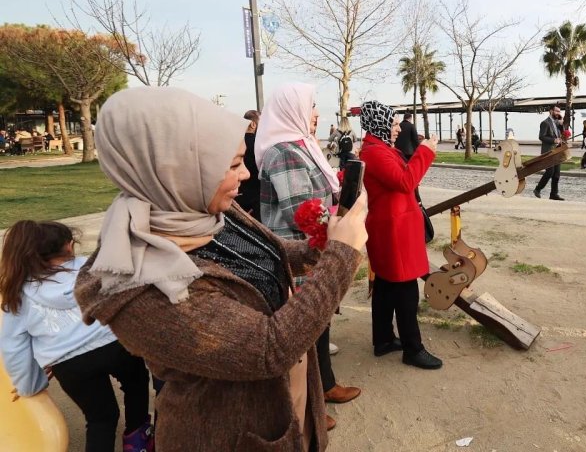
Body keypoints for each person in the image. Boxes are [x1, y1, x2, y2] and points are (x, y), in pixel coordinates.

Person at [75, 87, 367, 451]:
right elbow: (268, 349)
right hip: (226, 433)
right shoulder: (140, 284)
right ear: (173, 169)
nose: (246, 174)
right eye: (231, 165)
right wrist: (341, 257)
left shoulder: (198, 210)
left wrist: (314, 248)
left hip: (283, 403)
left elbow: (264, 253)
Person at [256, 83, 363, 428]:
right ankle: (306, 409)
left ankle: (325, 386)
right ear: (292, 109)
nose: (317, 113)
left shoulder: (303, 145)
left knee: (319, 321)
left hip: (314, 249)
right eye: (312, 106)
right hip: (296, 255)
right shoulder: (282, 151)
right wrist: (341, 222)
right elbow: (299, 210)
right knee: (303, 328)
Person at [1, 220, 153, 452]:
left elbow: (13, 345)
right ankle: (137, 441)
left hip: (71, 364)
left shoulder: (18, 292)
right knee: (136, 385)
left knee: (101, 418)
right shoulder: (92, 268)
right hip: (116, 344)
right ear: (70, 247)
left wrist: (30, 384)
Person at [358, 101, 443, 370]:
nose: (398, 128)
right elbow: (406, 181)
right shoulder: (375, 152)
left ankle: (383, 339)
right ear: (380, 124)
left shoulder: (377, 148)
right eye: (393, 123)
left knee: (385, 285)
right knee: (406, 289)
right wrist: (425, 152)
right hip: (393, 230)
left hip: (392, 227)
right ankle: (412, 348)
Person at [533, 105, 564, 200]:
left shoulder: (557, 123)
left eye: (559, 111)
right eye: (557, 111)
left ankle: (554, 194)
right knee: (550, 172)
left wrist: (562, 125)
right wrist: (554, 140)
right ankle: (538, 189)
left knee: (557, 174)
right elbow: (541, 137)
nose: (558, 113)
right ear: (551, 111)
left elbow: (561, 134)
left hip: (557, 151)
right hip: (548, 151)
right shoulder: (545, 123)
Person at [235, 110, 261, 218]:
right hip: (256, 198)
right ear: (253, 124)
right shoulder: (259, 145)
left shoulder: (236, 142)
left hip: (238, 197)